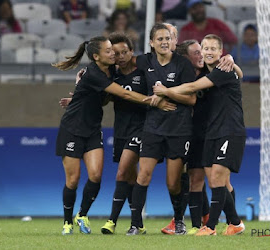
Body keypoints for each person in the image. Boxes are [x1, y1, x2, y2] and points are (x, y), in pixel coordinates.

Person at [52, 35, 174, 235]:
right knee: (73, 180)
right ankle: (67, 222)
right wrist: (153, 100)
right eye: (109, 51)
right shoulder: (93, 73)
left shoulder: (111, 71)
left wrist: (77, 96)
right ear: (96, 57)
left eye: (116, 51)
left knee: (96, 176)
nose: (115, 55)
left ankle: (82, 215)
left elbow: (102, 97)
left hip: (93, 130)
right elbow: (123, 94)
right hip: (72, 128)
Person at [153, 34, 246, 236]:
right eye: (206, 48)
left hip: (229, 130)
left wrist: (165, 91)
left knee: (219, 178)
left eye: (214, 48)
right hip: (210, 132)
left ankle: (210, 226)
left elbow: (193, 88)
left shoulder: (223, 70)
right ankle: (235, 223)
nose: (209, 52)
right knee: (214, 180)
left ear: (220, 52)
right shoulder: (202, 72)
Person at [127, 23, 196, 236]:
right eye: (160, 39)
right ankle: (135, 224)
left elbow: (192, 99)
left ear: (173, 41)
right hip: (153, 128)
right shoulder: (144, 61)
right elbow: (120, 63)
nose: (164, 42)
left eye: (168, 38)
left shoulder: (183, 64)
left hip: (178, 129)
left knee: (173, 183)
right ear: (151, 42)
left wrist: (167, 93)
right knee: (143, 175)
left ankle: (178, 220)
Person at [100, 32, 148, 234]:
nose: (120, 56)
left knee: (122, 172)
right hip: (120, 129)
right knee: (130, 177)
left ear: (131, 51)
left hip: (141, 128)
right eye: (116, 53)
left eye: (124, 52)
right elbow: (104, 101)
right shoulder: (114, 76)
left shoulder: (144, 73)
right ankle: (138, 223)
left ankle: (111, 221)